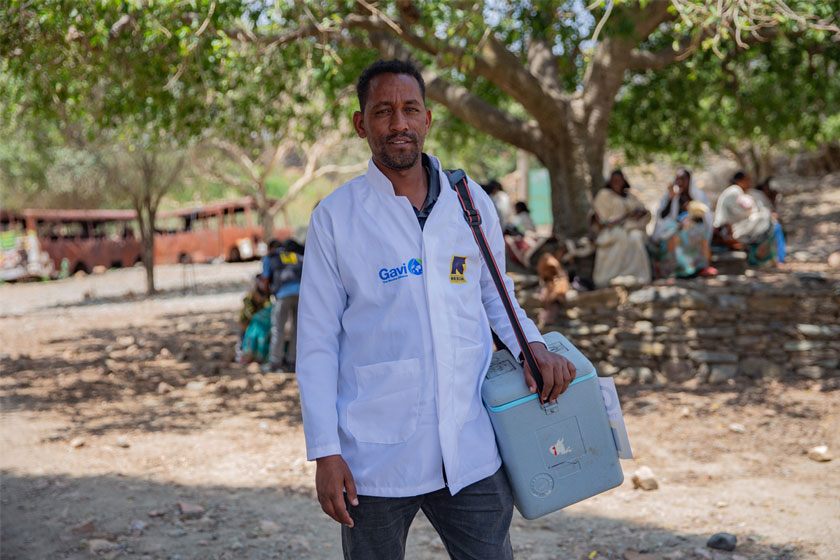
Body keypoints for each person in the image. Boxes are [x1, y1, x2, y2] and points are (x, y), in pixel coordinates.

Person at [295, 59, 576, 560]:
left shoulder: (470, 204)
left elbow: (496, 294)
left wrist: (531, 344)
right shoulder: (336, 218)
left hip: (470, 449)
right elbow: (315, 342)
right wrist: (324, 451)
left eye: (410, 109)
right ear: (362, 125)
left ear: (428, 120)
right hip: (374, 457)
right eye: (383, 112)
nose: (398, 124)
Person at [650, 168, 716, 278]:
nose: (680, 182)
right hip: (673, 227)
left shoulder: (697, 195)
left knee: (698, 232)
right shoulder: (670, 195)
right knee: (673, 236)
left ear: (689, 180)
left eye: (683, 179)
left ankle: (698, 267)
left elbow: (705, 217)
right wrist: (671, 199)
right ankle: (676, 269)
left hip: (692, 227)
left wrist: (689, 220)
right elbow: (662, 216)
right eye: (678, 179)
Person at [591, 170, 652, 288]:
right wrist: (625, 217)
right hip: (611, 231)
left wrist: (639, 214)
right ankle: (608, 277)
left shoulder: (630, 197)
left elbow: (644, 212)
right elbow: (602, 220)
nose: (617, 183)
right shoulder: (604, 195)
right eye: (614, 180)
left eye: (619, 180)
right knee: (620, 236)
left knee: (636, 238)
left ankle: (637, 275)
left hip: (632, 229)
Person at [713, 171, 777, 266]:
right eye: (747, 180)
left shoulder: (737, 191)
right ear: (739, 181)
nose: (749, 183)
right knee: (762, 218)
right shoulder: (734, 190)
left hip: (731, 226)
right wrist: (753, 212)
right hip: (725, 229)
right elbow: (737, 212)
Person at [261, 238, 304, 372]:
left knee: (278, 328)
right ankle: (293, 361)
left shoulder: (270, 258)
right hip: (301, 295)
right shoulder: (295, 256)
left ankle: (275, 361)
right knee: (296, 329)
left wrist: (266, 292)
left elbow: (265, 279)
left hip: (283, 294)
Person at [752, 176, 786, 263]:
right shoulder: (757, 195)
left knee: (778, 227)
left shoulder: (769, 197)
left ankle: (779, 258)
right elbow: (760, 211)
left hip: (765, 222)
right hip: (756, 223)